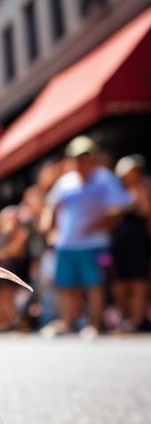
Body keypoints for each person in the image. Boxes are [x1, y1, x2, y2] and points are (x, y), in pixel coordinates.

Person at [40, 136, 131, 336]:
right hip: (66, 243)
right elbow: (52, 206)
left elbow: (121, 205)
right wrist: (49, 229)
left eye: (85, 156)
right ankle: (66, 322)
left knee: (94, 284)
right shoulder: (66, 181)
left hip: (94, 243)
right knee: (65, 285)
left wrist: (103, 221)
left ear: (93, 158)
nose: (81, 161)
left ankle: (94, 324)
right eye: (77, 157)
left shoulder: (104, 178)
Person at [110, 154, 151, 331]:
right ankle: (125, 320)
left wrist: (138, 194)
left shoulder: (145, 188)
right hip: (120, 245)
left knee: (138, 283)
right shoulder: (116, 191)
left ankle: (137, 321)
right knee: (120, 285)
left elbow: (146, 211)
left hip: (140, 244)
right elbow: (108, 216)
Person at [0, 204, 29, 331]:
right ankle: (4, 322)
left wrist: (1, 253)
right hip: (1, 269)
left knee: (10, 296)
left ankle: (14, 322)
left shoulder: (21, 232)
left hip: (15, 269)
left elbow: (15, 251)